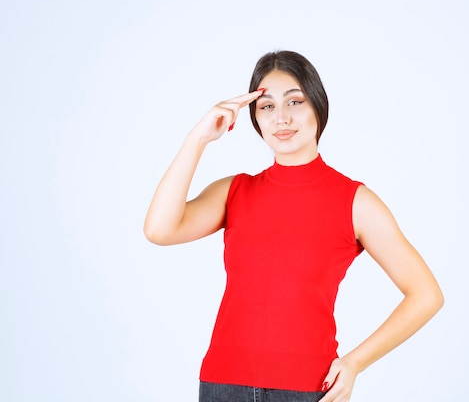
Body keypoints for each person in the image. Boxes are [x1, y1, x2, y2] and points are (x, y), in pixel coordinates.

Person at [144, 50, 444, 402]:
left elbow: (426, 295)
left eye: (295, 101)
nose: (281, 118)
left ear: (317, 106)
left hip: (306, 389)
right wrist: (197, 139)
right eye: (266, 106)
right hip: (222, 385)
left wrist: (354, 363)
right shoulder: (234, 191)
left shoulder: (356, 202)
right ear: (255, 120)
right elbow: (159, 230)